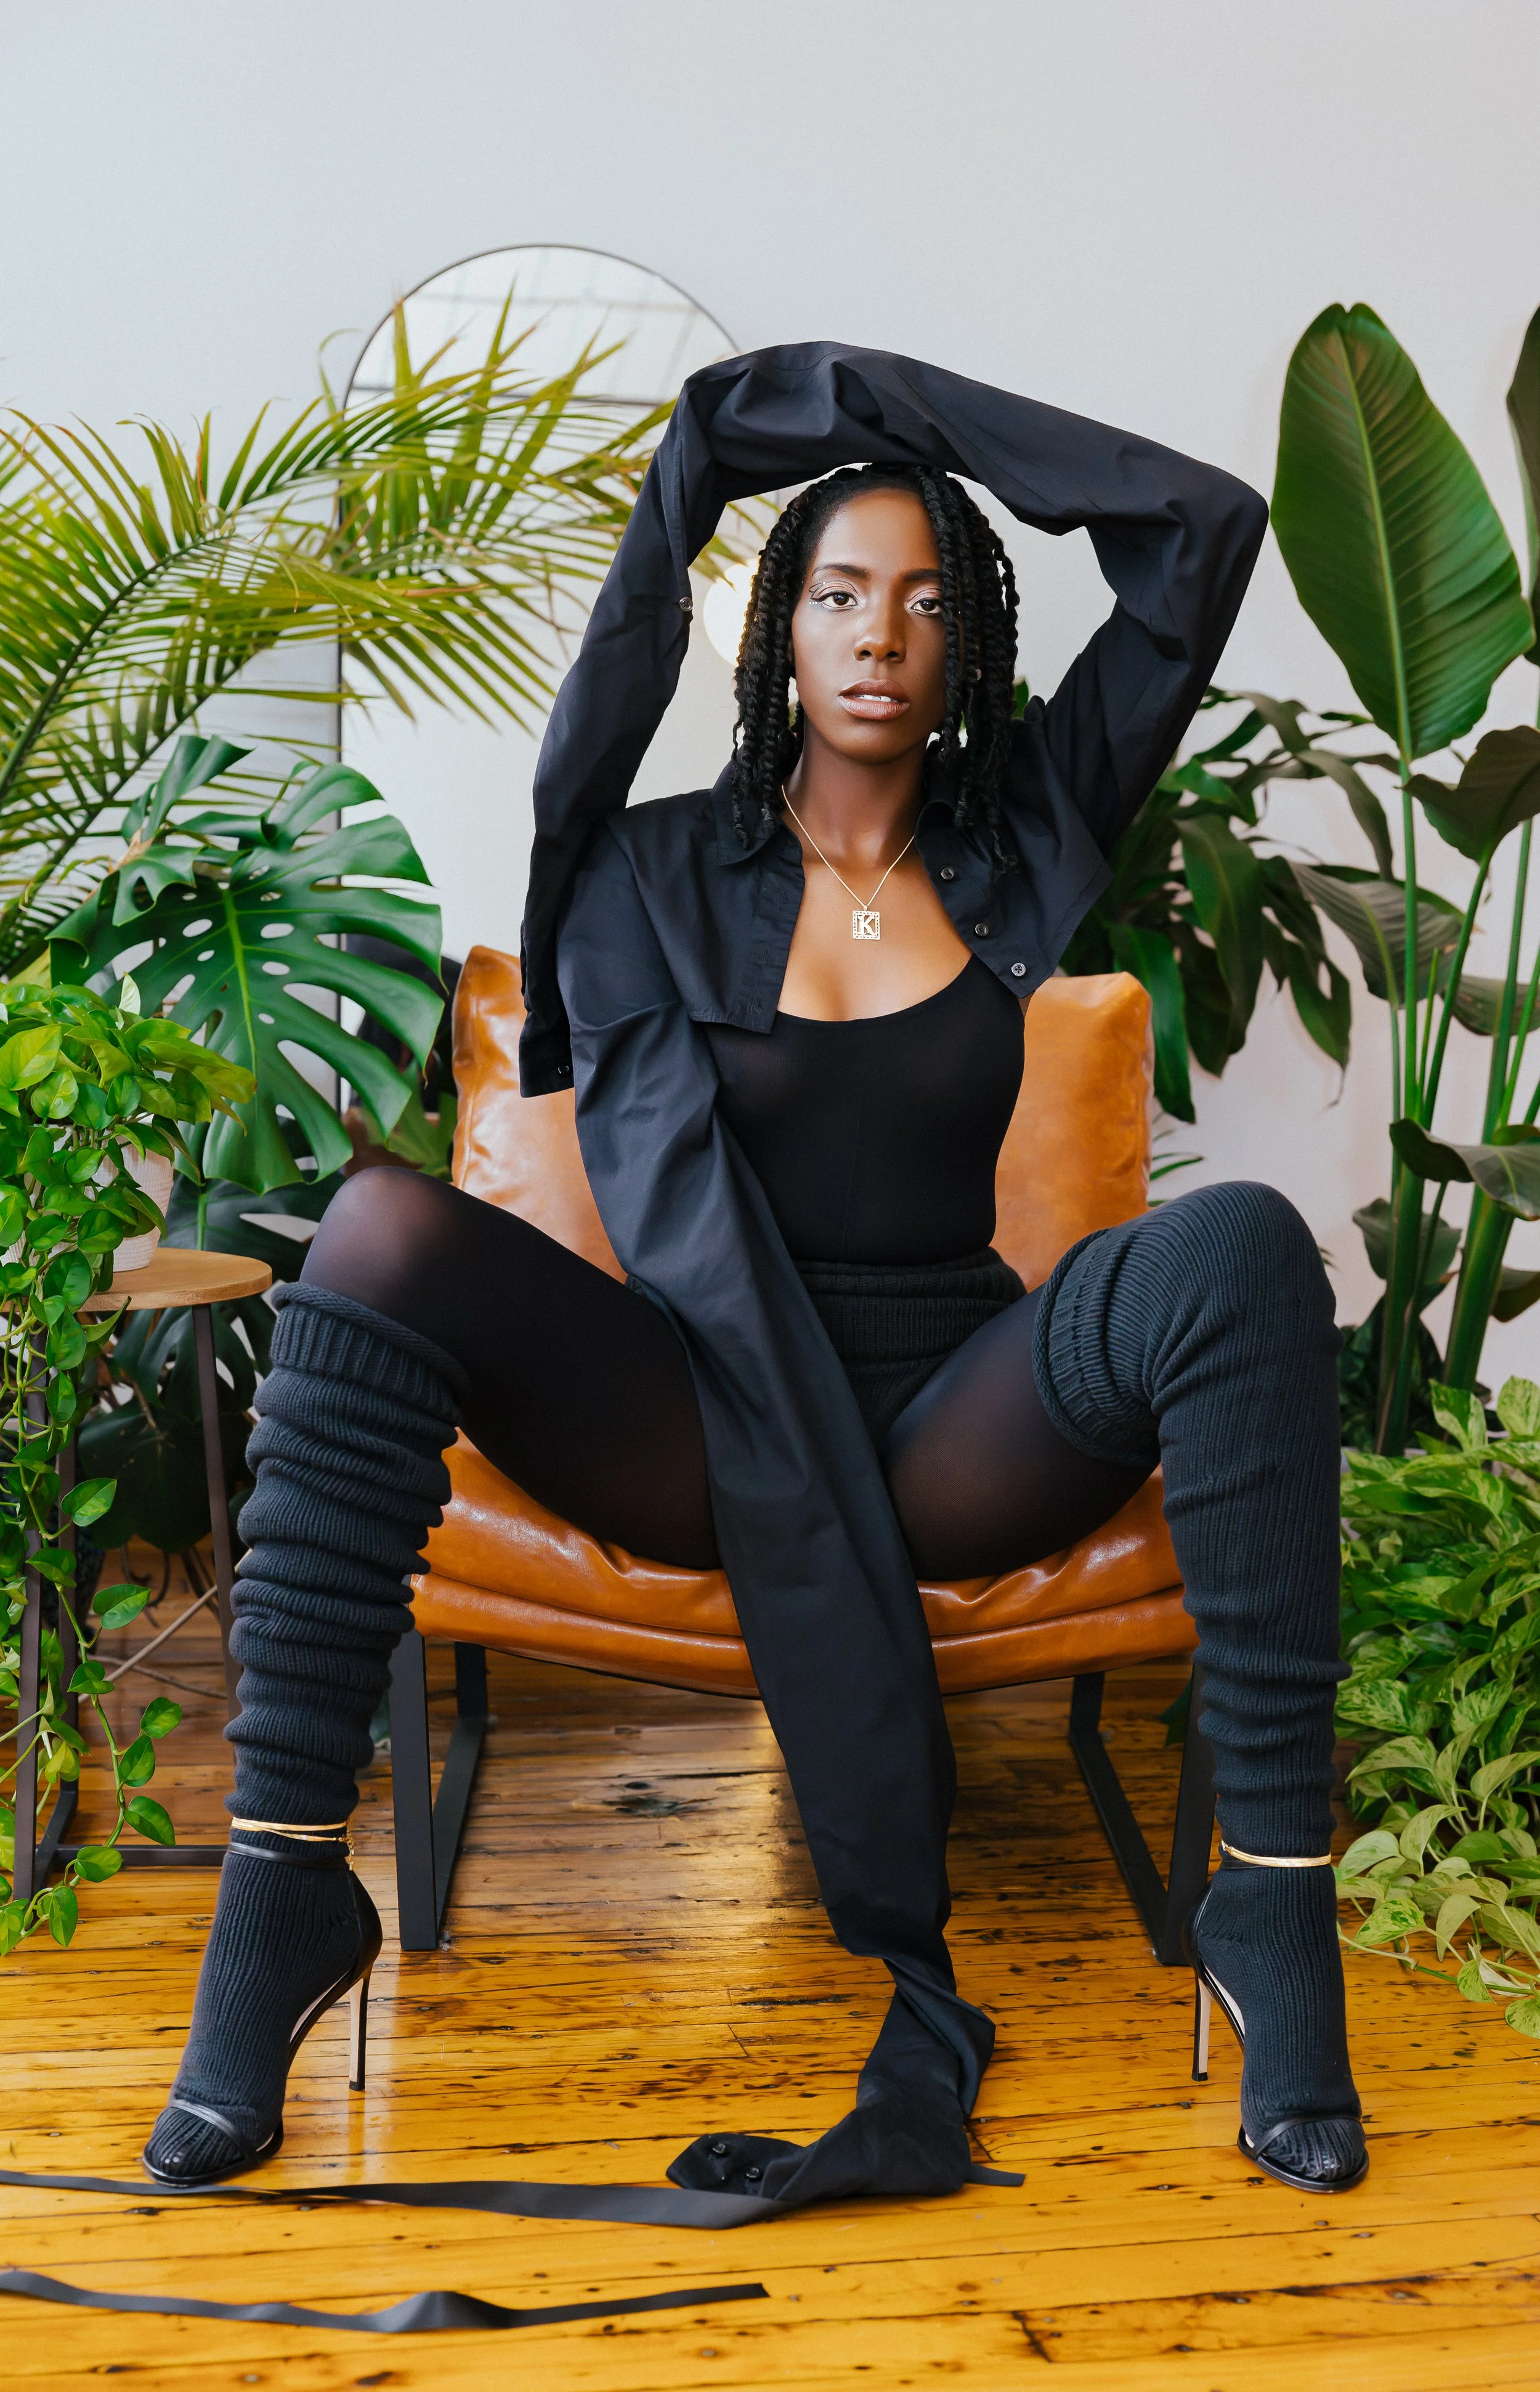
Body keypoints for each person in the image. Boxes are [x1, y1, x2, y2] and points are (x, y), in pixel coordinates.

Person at [142, 345, 1364, 2208]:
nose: (880, 633)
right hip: (700, 1403)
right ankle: (283, 1898)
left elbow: (1204, 524)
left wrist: (864, 407)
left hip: (957, 1418)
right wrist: (712, 465)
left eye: (927, 596)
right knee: (379, 1227)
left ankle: (1268, 1913)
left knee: (1243, 1245)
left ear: (970, 644)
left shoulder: (1020, 832)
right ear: (775, 630)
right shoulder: (647, 870)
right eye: (840, 590)